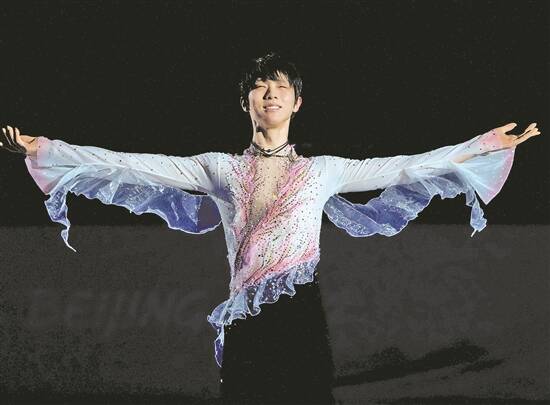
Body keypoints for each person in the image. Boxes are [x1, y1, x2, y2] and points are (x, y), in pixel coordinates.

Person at [1, 51, 541, 404]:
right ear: (246, 103)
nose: (270, 93)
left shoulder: (323, 171)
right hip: (245, 311)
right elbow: (130, 164)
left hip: (300, 308)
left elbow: (406, 166)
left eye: (280, 86)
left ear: (297, 101)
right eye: (259, 87)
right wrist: (46, 150)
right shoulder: (218, 168)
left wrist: (483, 146)